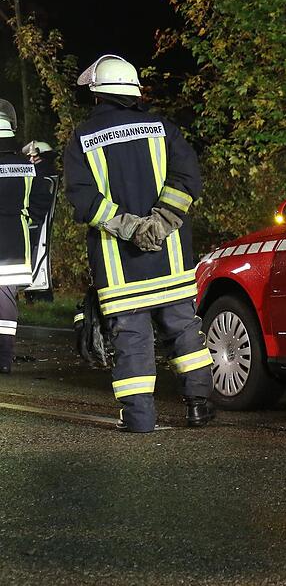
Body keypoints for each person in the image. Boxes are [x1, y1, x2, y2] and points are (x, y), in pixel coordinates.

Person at [64, 54, 213, 431]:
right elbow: (187, 180)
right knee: (183, 330)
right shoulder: (164, 128)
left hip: (120, 268)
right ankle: (199, 407)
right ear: (134, 91)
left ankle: (139, 420)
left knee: (131, 339)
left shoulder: (82, 138)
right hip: (171, 259)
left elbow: (83, 198)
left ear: (97, 95)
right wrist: (161, 223)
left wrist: (130, 227)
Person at [0, 99, 51, 373]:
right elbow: (41, 201)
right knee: (6, 302)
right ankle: (4, 360)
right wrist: (27, 218)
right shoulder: (27, 167)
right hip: (14, 246)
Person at [22, 140, 59, 303]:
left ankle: (35, 296)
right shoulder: (49, 176)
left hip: (34, 224)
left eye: (32, 157)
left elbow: (35, 205)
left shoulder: (40, 178)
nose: (29, 161)